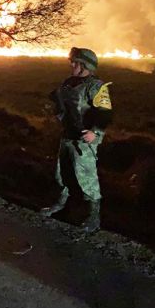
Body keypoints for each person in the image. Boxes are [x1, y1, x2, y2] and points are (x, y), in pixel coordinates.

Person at [41, 47, 113, 233]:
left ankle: (93, 217)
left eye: (75, 62)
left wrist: (95, 132)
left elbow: (105, 113)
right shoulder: (69, 83)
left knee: (87, 178)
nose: (72, 65)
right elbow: (61, 102)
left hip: (84, 140)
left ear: (85, 65)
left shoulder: (95, 87)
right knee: (62, 173)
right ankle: (60, 205)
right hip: (68, 135)